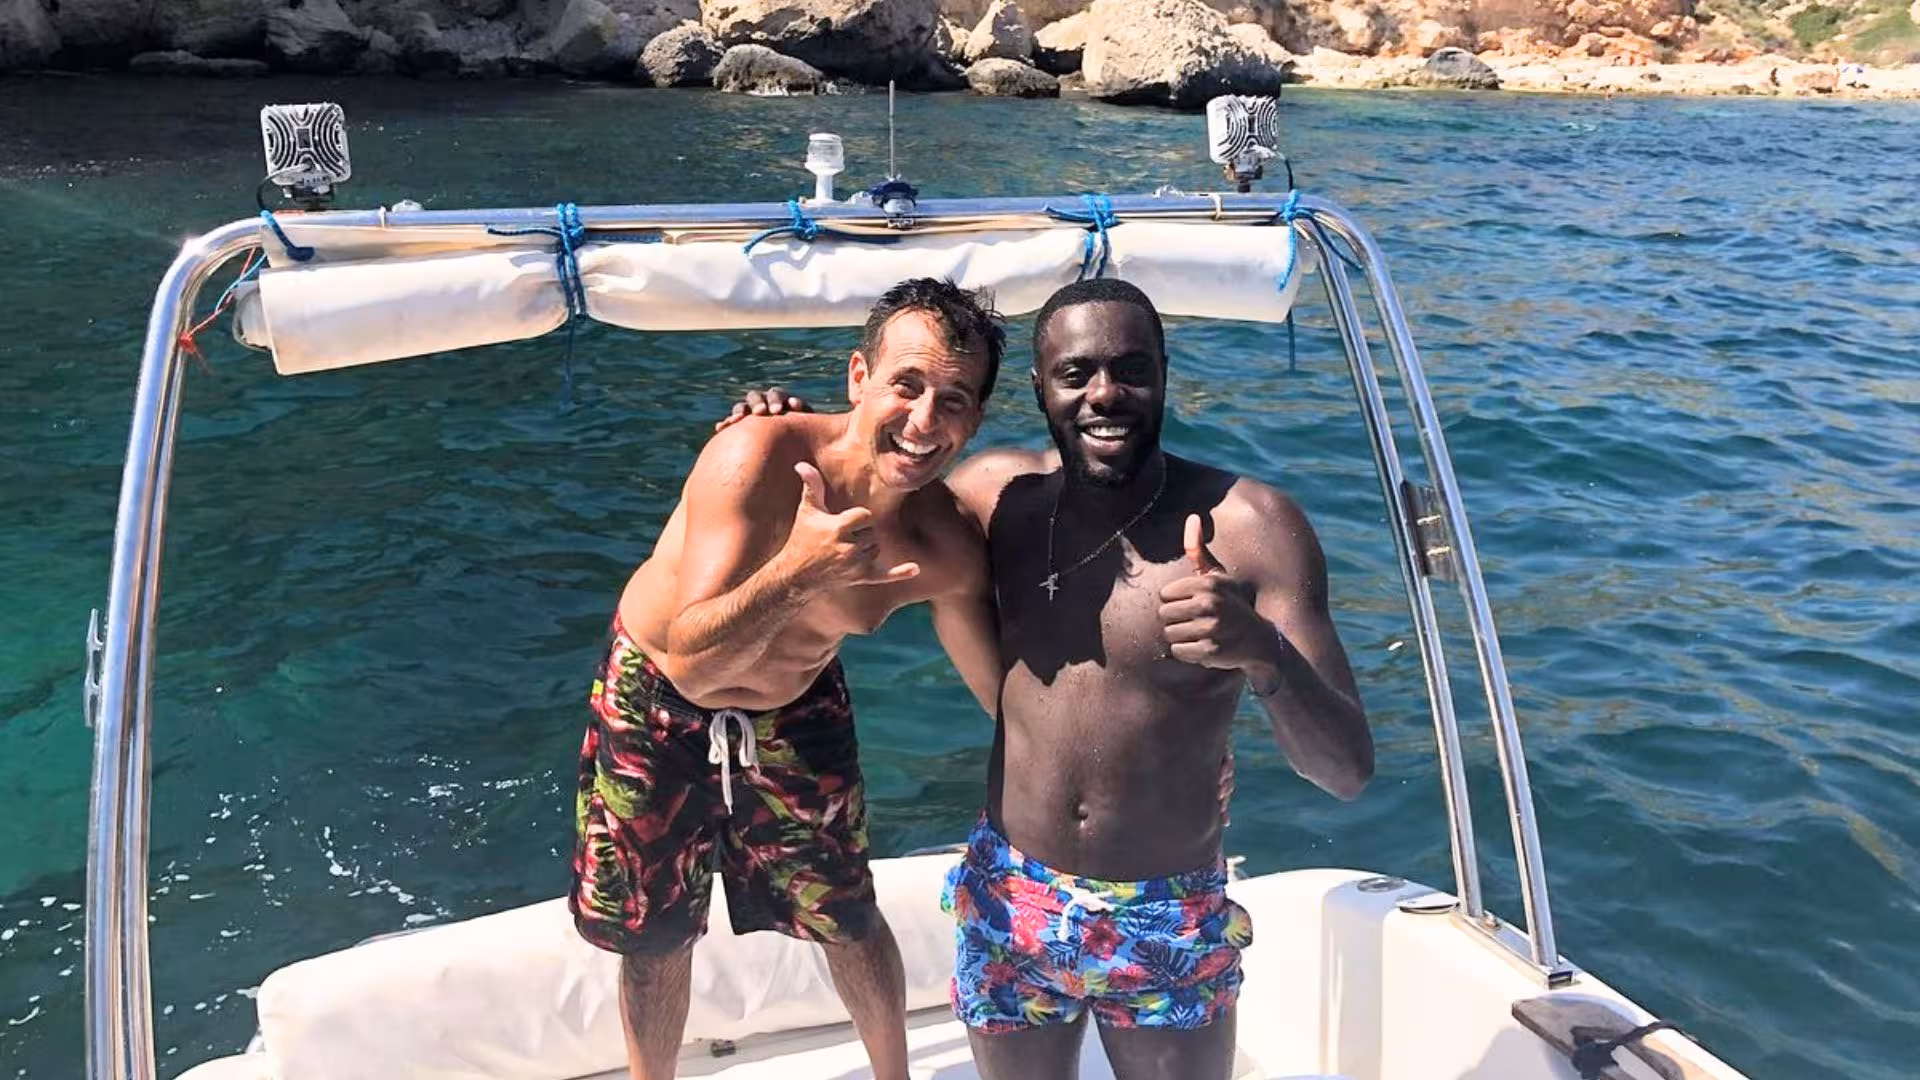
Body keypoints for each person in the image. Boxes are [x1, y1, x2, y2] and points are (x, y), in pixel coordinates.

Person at [727, 277, 1373, 1080]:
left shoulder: (1253, 529)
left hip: (1164, 906)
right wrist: (786, 429)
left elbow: (1345, 771)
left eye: (1131, 369)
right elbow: (874, 470)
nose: (1106, 394)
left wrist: (1262, 654)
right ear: (1041, 388)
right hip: (1011, 894)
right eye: (1077, 374)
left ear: (1165, 373)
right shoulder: (995, 498)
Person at [570, 277, 1007, 1080]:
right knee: (655, 930)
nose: (923, 421)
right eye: (905, 384)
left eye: (954, 400)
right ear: (856, 379)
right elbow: (693, 660)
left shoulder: (945, 546)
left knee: (847, 911)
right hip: (660, 693)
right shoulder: (757, 456)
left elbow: (1007, 708)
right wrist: (798, 576)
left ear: (975, 420)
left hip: (796, 700)